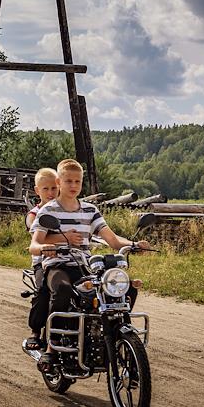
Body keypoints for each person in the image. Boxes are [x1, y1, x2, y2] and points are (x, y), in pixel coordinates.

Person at [29, 159, 150, 371]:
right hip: (57, 265)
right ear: (59, 181)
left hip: (83, 266)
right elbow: (34, 244)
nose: (73, 185)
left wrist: (133, 244)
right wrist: (47, 247)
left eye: (77, 181)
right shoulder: (49, 210)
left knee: (124, 287)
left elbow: (112, 240)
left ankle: (116, 335)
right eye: (68, 181)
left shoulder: (90, 210)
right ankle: (51, 348)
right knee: (63, 289)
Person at [24, 168, 85, 350]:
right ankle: (37, 331)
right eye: (46, 189)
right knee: (44, 290)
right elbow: (35, 237)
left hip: (70, 259)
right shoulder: (35, 213)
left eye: (53, 188)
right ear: (37, 191)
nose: (50, 193)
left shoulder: (64, 208)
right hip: (43, 260)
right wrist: (65, 237)